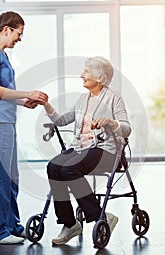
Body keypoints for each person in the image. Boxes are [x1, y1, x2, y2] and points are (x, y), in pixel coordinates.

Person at [43, 56, 131, 245]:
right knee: (53, 167)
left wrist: (111, 122)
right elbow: (61, 120)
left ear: (100, 78)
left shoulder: (113, 98)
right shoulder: (83, 99)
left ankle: (98, 215)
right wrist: (46, 104)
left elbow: (126, 128)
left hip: (105, 151)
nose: (81, 75)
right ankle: (69, 223)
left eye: (86, 72)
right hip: (81, 148)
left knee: (68, 169)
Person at [0, 11, 48, 245]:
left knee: (11, 177)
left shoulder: (1, 54)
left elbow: (3, 92)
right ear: (6, 29)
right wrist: (28, 92)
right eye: (19, 33)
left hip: (6, 121)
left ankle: (11, 225)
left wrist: (21, 101)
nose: (19, 39)